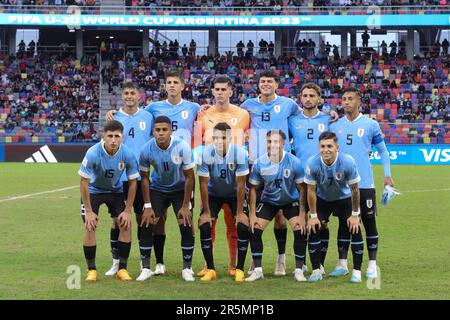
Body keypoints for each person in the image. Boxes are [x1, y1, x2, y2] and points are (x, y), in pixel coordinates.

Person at [106, 70, 201, 276]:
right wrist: (111, 115)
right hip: (127, 177)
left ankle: (167, 265)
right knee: (119, 220)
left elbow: (208, 114)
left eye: (176, 82)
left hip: (163, 177)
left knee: (157, 220)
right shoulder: (152, 109)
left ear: (183, 85)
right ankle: (120, 262)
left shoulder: (192, 108)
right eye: (169, 82)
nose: (172, 85)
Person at [241, 70, 302, 276]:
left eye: (270, 81)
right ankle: (254, 261)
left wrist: (330, 113)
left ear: (277, 84)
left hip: (283, 165)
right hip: (256, 165)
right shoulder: (248, 105)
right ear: (258, 84)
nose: (265, 84)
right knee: (254, 217)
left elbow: (304, 117)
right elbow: (231, 114)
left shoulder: (288, 104)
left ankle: (281, 260)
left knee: (280, 217)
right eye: (262, 81)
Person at [330, 87, 394, 279]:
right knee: (343, 223)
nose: (346, 102)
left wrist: (387, 175)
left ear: (359, 102)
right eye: (344, 99)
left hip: (364, 183)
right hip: (340, 185)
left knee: (368, 222)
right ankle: (342, 263)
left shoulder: (370, 125)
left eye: (350, 99)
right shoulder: (334, 126)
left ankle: (372, 264)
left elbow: (382, 151)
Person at [195, 75, 250, 277]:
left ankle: (234, 265)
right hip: (212, 176)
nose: (219, 92)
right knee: (208, 222)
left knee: (234, 224)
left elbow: (250, 137)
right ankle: (208, 265)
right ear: (212, 92)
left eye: (223, 89)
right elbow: (196, 140)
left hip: (235, 176)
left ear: (230, 91)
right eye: (216, 89)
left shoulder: (243, 114)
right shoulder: (203, 114)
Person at [245, 130, 311, 282]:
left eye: (276, 142)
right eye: (269, 142)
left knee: (300, 229)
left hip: (290, 201)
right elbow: (253, 189)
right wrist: (253, 214)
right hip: (269, 202)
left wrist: (302, 215)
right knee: (254, 228)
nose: (272, 145)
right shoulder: (260, 163)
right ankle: (258, 270)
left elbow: (302, 189)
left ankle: (299, 270)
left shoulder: (294, 162)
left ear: (283, 143)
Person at [104, 82, 154, 279]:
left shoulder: (148, 117)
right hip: (119, 178)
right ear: (122, 96)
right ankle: (116, 263)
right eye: (126, 93)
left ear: (139, 96)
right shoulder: (114, 118)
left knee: (144, 219)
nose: (129, 96)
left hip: (141, 177)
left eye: (133, 93)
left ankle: (145, 266)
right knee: (117, 221)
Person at [78, 120, 139, 282]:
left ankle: (122, 269)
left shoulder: (128, 154)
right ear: (103, 137)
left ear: (122, 137)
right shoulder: (92, 153)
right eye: (110, 136)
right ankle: (91, 270)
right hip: (93, 192)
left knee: (126, 224)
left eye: (117, 136)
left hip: (115, 191)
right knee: (90, 226)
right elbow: (83, 181)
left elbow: (133, 182)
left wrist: (127, 211)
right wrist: (89, 211)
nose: (113, 139)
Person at [138, 116, 196, 281]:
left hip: (180, 189)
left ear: (171, 131)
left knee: (185, 223)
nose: (161, 133)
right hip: (157, 189)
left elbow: (190, 178)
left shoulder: (181, 146)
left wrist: (186, 206)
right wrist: (148, 205)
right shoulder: (146, 150)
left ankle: (186, 268)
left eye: (164, 130)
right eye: (158, 130)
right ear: (153, 132)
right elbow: (144, 178)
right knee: (147, 223)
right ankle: (147, 268)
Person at [305, 131, 364, 283]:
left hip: (344, 198)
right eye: (322, 146)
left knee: (354, 227)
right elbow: (310, 191)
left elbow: (355, 190)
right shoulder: (313, 162)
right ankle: (317, 269)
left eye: (329, 146)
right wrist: (312, 216)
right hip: (323, 199)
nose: (326, 150)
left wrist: (356, 214)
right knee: (313, 228)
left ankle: (355, 271)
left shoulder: (347, 161)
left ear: (337, 147)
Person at [288, 83, 331, 273]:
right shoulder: (292, 120)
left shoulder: (329, 119)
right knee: (301, 222)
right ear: (300, 98)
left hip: (322, 178)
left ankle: (319, 262)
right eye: (305, 95)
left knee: (321, 222)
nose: (308, 99)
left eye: (312, 96)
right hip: (299, 180)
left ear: (319, 99)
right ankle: (302, 262)